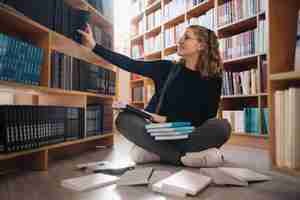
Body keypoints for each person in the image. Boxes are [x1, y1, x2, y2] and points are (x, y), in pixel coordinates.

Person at [78, 24, 231, 167]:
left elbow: (206, 116)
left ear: (201, 45)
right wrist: (94, 46)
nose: (180, 40)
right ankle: (182, 158)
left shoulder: (213, 78)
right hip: (158, 131)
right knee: (124, 120)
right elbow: (130, 64)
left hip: (188, 133)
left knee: (222, 126)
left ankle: (157, 152)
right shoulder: (166, 68)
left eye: (187, 37)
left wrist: (167, 119)